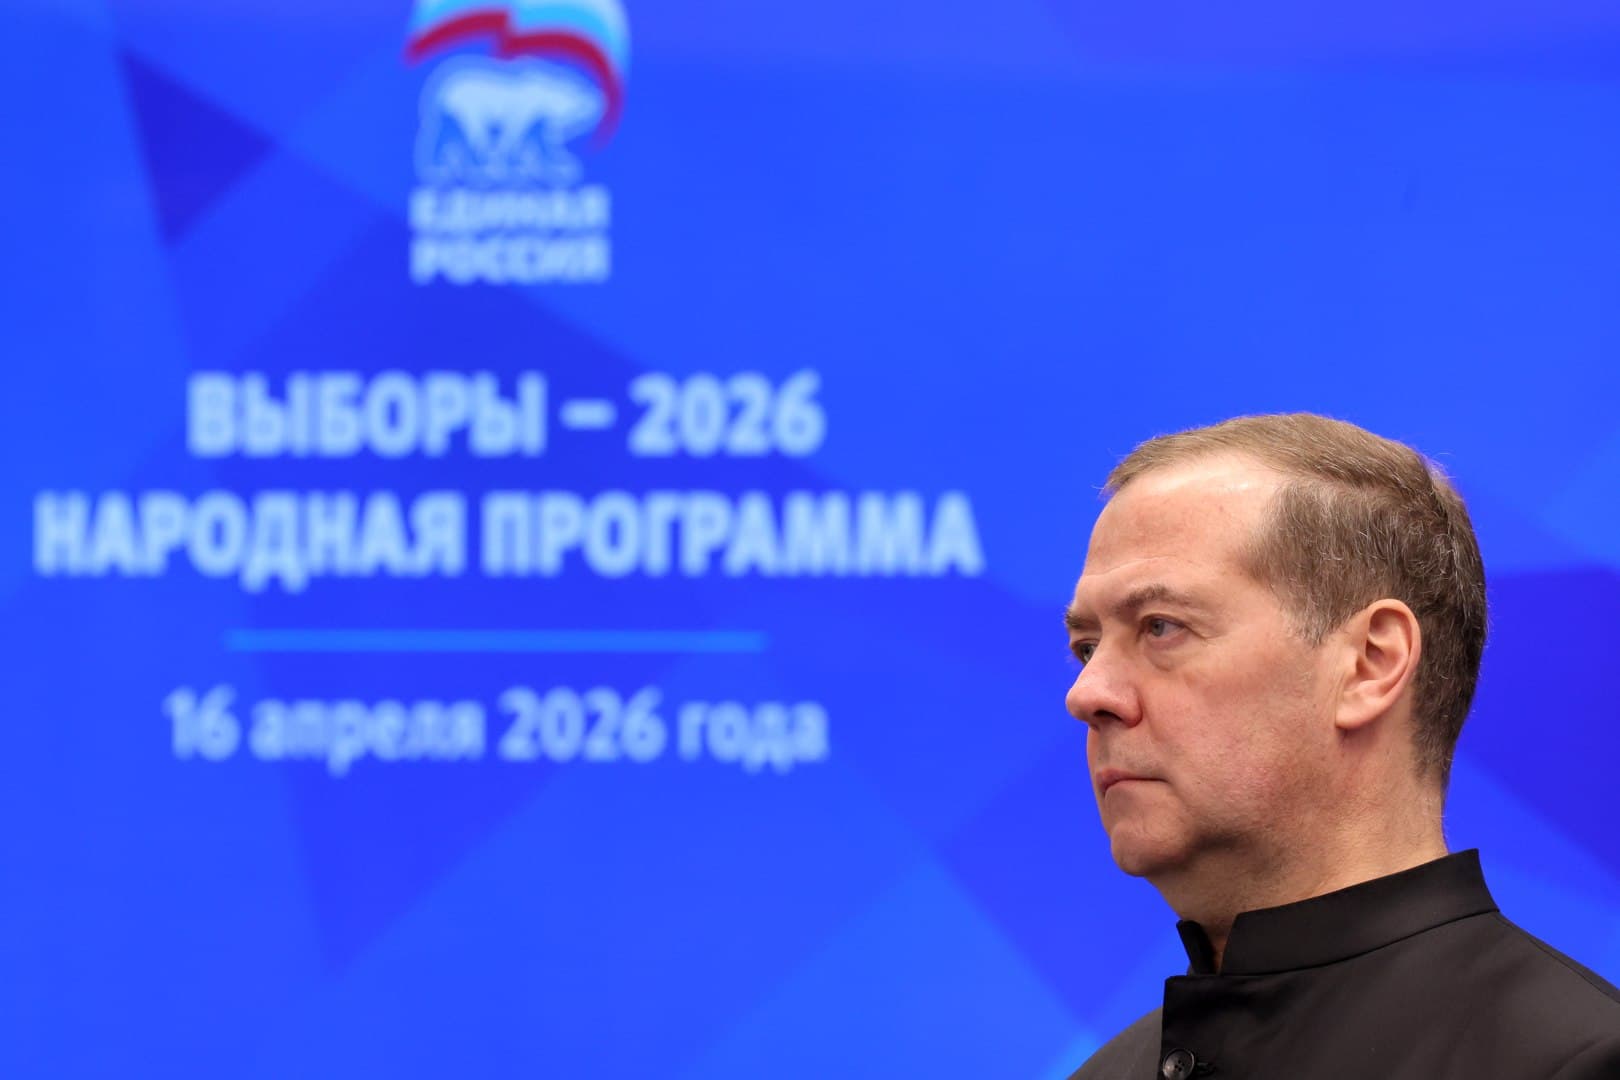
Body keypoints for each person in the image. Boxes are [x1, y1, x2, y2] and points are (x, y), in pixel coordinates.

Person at [1062, 414, 1620, 1079]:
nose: (1086, 693)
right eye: (1087, 647)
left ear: (1369, 665)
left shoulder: (1576, 1061)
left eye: (1161, 627)